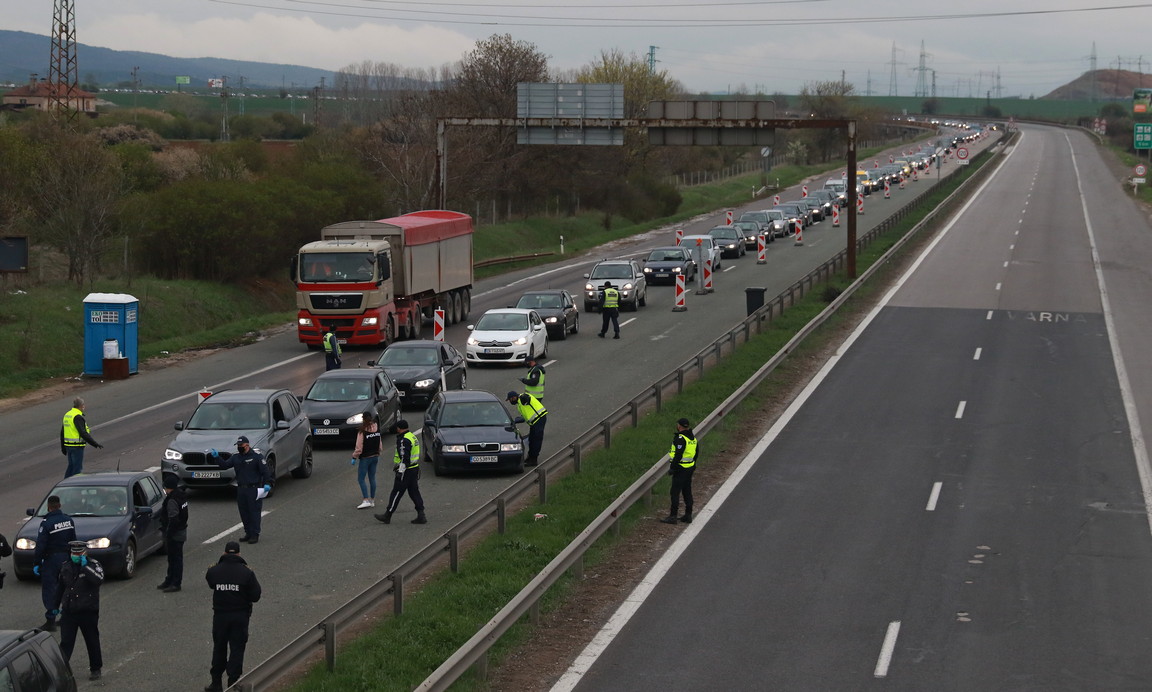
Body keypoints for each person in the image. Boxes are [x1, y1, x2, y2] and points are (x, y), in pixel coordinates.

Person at [204, 540, 262, 692]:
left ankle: (216, 683)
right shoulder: (246, 572)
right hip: (240, 617)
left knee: (219, 648)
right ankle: (234, 683)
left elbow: (210, 582)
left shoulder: (214, 571)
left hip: (220, 617)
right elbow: (256, 595)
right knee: (237, 649)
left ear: (224, 553)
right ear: (239, 554)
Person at [55, 540, 104, 681]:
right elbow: (60, 588)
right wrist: (54, 607)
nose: (76, 555)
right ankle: (60, 670)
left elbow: (99, 580)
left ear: (85, 552)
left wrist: (85, 568)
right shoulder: (65, 567)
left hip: (88, 611)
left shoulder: (93, 565)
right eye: (73, 553)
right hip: (69, 612)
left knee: (92, 640)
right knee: (66, 642)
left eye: (79, 552)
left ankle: (96, 668)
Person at [210, 436, 272, 543]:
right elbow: (225, 465)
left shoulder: (256, 457)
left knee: (254, 512)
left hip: (253, 489)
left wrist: (267, 483)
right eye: (238, 445)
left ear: (247, 445)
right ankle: (248, 532)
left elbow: (265, 471)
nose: (239, 447)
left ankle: (255, 534)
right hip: (241, 489)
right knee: (244, 512)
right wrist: (217, 458)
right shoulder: (236, 457)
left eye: (241, 445)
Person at [32, 495, 76, 631]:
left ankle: (51, 620)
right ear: (60, 506)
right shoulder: (68, 520)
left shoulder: (46, 523)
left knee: (50, 589)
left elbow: (40, 545)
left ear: (49, 507)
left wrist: (37, 562)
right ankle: (65, 618)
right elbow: (73, 540)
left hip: (51, 560)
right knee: (66, 587)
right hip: (66, 558)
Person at [374, 420, 426, 525]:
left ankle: (387, 515)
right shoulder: (412, 436)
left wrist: (400, 471)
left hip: (405, 470)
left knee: (396, 492)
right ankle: (421, 514)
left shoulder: (404, 440)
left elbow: (404, 457)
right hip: (414, 468)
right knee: (414, 492)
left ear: (399, 428)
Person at [661, 418, 698, 525]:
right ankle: (688, 514)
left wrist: (673, 468)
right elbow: (696, 453)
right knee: (687, 491)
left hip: (680, 469)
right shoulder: (692, 438)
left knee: (675, 492)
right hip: (689, 468)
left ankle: (673, 516)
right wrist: (693, 465)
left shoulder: (681, 438)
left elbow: (678, 455)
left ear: (679, 426)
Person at [157, 475, 189, 592]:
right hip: (181, 531)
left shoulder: (172, 500)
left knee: (175, 559)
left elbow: (173, 518)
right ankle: (170, 580)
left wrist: (168, 534)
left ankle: (175, 583)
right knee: (173, 558)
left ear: (168, 488)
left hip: (175, 534)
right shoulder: (181, 496)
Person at [61, 397, 103, 478]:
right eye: (83, 405)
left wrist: (62, 447)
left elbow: (62, 432)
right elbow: (83, 433)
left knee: (71, 466)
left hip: (68, 446)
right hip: (77, 446)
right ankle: (75, 485)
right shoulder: (77, 417)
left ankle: (65, 484)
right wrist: (94, 444)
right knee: (77, 469)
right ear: (81, 406)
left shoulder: (67, 415)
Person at [507, 391, 547, 468]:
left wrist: (523, 398)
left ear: (513, 397)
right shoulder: (519, 404)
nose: (510, 402)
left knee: (536, 440)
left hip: (539, 419)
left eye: (510, 400)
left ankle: (533, 459)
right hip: (534, 422)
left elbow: (526, 398)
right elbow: (524, 417)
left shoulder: (523, 398)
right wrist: (516, 420)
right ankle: (530, 457)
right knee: (531, 439)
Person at [351, 410, 382, 509]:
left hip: (365, 458)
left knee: (361, 479)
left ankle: (365, 499)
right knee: (372, 478)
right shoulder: (376, 429)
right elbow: (380, 445)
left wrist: (354, 457)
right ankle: (372, 500)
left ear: (363, 418)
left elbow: (359, 447)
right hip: (375, 456)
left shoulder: (362, 431)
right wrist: (378, 453)